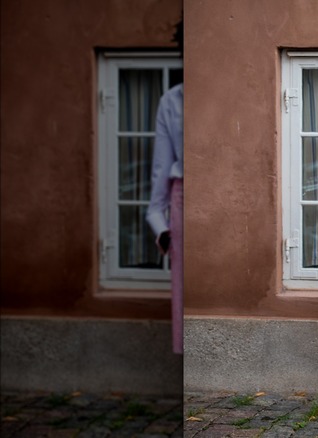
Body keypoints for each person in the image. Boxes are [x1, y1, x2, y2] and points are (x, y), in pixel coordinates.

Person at [146, 20, 183, 355]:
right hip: (182, 200)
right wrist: (161, 226)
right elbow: (161, 168)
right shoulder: (172, 102)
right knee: (186, 292)